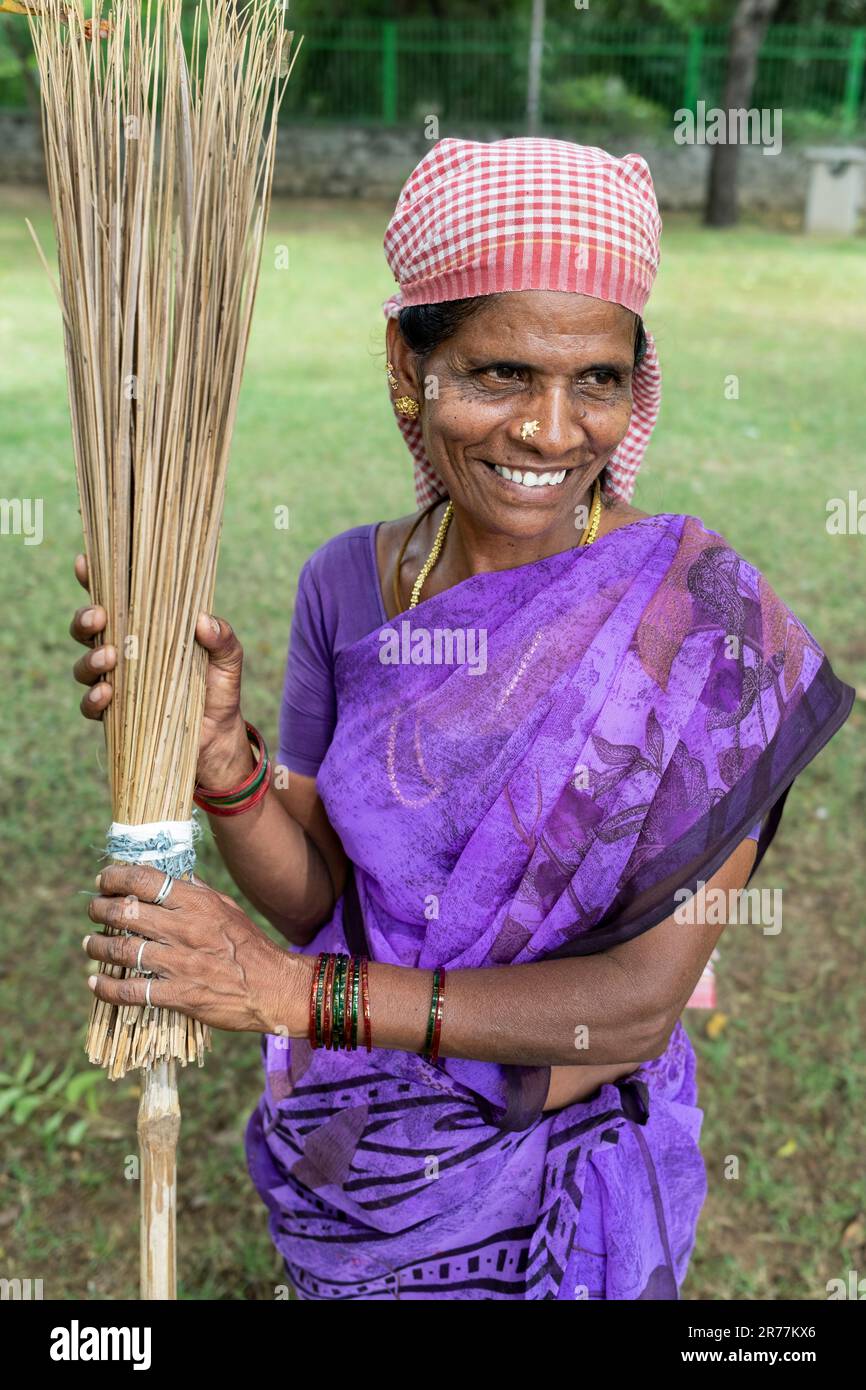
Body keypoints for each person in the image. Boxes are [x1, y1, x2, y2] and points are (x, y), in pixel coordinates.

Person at [70, 138, 855, 1300]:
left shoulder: (699, 627)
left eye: (594, 378)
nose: (550, 431)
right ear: (409, 362)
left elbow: (635, 1006)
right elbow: (321, 892)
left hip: (566, 1157)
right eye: (498, 373)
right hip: (358, 1154)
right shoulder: (347, 583)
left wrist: (294, 995)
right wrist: (223, 763)